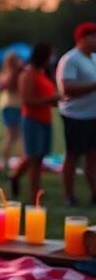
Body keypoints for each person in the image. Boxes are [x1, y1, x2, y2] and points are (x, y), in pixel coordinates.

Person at [10, 42, 60, 200]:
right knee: (33, 158)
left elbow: (46, 96)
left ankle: (18, 179)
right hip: (32, 119)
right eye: (50, 55)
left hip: (45, 118)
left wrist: (56, 100)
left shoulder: (42, 72)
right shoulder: (29, 72)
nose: (52, 58)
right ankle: (34, 194)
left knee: (39, 157)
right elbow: (27, 100)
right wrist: (51, 99)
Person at [55, 22, 96, 206]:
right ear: (82, 38)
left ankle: (94, 192)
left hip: (92, 114)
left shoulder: (93, 58)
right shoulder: (71, 59)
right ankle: (68, 195)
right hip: (76, 116)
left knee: (92, 156)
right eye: (92, 36)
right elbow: (67, 88)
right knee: (73, 155)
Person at [0, 50, 23, 176]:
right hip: (12, 106)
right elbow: (9, 86)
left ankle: (13, 162)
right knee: (13, 136)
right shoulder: (11, 73)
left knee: (15, 136)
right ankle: (8, 163)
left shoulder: (6, 73)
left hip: (13, 106)